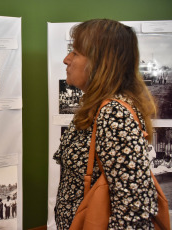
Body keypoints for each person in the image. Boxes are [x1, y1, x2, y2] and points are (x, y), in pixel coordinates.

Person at [53, 19, 158, 229]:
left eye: (75, 53)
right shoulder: (97, 106)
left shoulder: (114, 113)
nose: (66, 59)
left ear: (99, 63)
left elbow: (134, 209)